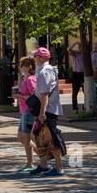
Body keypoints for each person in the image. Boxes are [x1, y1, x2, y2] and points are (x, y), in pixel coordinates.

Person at [32, 47, 66, 176]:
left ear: (41, 58)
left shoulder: (44, 72)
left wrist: (42, 113)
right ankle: (43, 164)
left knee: (51, 139)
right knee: (38, 137)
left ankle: (59, 168)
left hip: (48, 110)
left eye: (36, 56)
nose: (34, 59)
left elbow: (45, 94)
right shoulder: (45, 70)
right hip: (49, 109)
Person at [15, 56, 39, 173]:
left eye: (22, 66)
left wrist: (21, 96)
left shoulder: (31, 80)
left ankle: (30, 163)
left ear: (29, 67)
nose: (20, 68)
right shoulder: (26, 79)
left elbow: (35, 96)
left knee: (26, 137)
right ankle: (41, 154)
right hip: (24, 111)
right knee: (20, 137)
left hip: (29, 111)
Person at [68, 42, 85, 113]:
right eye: (79, 47)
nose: (80, 48)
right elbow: (69, 50)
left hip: (83, 73)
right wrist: (75, 43)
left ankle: (85, 106)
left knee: (85, 91)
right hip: (76, 73)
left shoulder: (85, 54)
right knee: (75, 92)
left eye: (82, 47)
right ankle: (75, 108)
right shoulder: (75, 53)